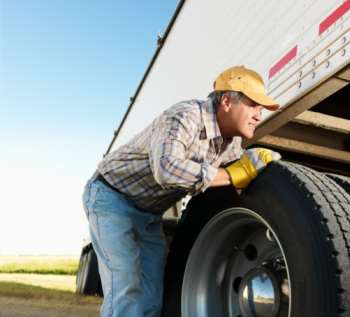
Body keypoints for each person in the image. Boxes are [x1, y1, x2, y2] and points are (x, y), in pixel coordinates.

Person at [82, 65, 281, 317]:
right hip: (110, 198)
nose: (258, 115)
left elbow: (231, 182)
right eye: (253, 105)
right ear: (228, 101)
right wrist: (231, 174)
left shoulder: (231, 145)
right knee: (127, 286)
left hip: (149, 214)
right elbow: (166, 169)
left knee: (154, 292)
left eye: (261, 109)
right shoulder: (185, 116)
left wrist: (256, 167)